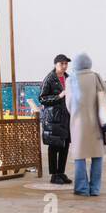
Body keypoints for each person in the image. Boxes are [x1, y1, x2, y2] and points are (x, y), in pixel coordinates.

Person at [64, 52, 106, 196]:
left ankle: (82, 188)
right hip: (96, 122)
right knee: (97, 155)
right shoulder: (95, 77)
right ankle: (95, 189)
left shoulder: (71, 80)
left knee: (79, 156)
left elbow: (69, 104)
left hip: (78, 123)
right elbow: (104, 98)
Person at [39, 54, 72, 185]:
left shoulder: (68, 78)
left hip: (66, 117)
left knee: (65, 145)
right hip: (53, 119)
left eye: (66, 64)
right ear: (55, 64)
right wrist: (59, 96)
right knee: (54, 146)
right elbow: (42, 98)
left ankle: (61, 172)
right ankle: (54, 175)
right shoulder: (49, 79)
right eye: (61, 64)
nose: (64, 66)